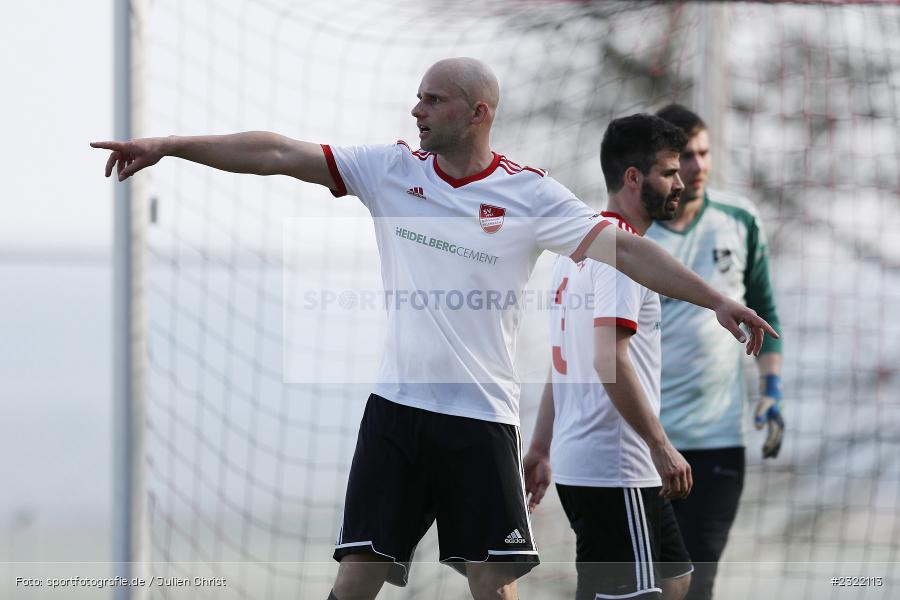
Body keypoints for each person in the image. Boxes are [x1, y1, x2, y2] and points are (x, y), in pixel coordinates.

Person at [92, 59, 775, 600]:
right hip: (394, 414)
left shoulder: (530, 194)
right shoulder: (391, 170)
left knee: (492, 583)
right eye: (418, 99)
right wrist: (171, 146)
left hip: (479, 422)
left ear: (478, 113)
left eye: (433, 99)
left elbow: (628, 249)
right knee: (357, 577)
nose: (417, 111)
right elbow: (277, 152)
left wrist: (715, 299)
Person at [524, 114, 696, 600]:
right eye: (668, 172)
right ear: (633, 178)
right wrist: (660, 446)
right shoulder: (621, 255)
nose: (679, 183)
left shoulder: (573, 250)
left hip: (588, 461)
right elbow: (606, 361)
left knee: (675, 578)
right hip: (616, 465)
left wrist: (541, 447)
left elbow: (564, 364)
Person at [646, 104, 784, 600]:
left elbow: (765, 309)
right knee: (644, 587)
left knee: (697, 584)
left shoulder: (738, 218)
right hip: (648, 441)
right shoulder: (633, 235)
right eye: (685, 157)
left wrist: (771, 391)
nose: (699, 167)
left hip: (718, 442)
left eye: (704, 153)